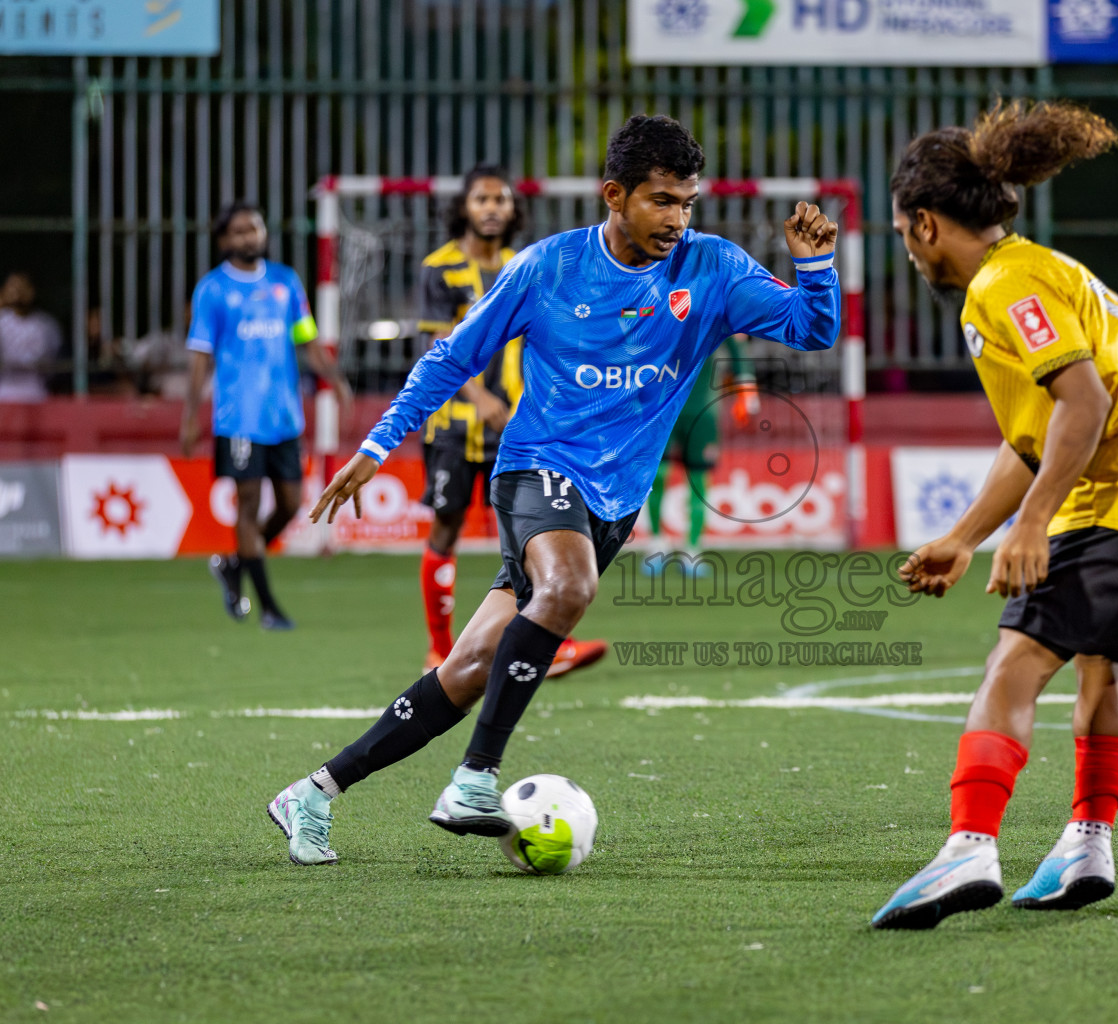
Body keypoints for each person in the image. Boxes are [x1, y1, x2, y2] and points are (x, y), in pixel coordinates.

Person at [266, 114, 840, 866]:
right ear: (614, 194)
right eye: (661, 200)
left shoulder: (714, 270)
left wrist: (816, 267)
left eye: (687, 202)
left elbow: (811, 329)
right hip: (536, 469)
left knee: (469, 668)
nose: (677, 219)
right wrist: (378, 445)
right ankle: (474, 780)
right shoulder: (547, 268)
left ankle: (313, 792)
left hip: (614, 502)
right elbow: (450, 358)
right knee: (569, 587)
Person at [872, 100, 1118, 930]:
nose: (909, 251)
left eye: (904, 234)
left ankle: (969, 845)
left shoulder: (1002, 287)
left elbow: (1083, 404)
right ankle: (1086, 842)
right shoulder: (1043, 269)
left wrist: (1032, 525)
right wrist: (966, 536)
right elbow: (1039, 432)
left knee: (1014, 665)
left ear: (926, 225)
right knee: (1101, 663)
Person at [414, 164, 608, 678]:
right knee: (446, 527)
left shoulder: (524, 265)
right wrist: (476, 395)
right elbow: (435, 345)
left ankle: (542, 641)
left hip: (518, 428)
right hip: (455, 425)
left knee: (528, 534)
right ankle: (440, 650)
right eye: (482, 199)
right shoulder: (440, 269)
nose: (493, 208)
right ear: (464, 207)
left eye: (501, 199)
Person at [181, 202, 352, 630]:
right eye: (238, 231)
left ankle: (235, 564)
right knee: (249, 502)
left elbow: (307, 339)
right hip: (239, 417)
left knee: (292, 504)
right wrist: (190, 414)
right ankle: (269, 607)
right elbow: (200, 357)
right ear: (224, 240)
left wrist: (336, 378)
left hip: (284, 416)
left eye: (253, 228)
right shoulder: (212, 290)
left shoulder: (286, 282)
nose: (247, 237)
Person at [644, 333, 758, 574]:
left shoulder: (715, 308)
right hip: (663, 411)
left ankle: (692, 549)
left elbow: (738, 349)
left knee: (698, 481)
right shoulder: (660, 305)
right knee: (657, 477)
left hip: (702, 412)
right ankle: (656, 545)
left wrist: (747, 391)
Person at [0, 272, 62, 403]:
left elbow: (46, 361)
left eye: (22, 287)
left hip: (34, 393)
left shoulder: (45, 325)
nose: (18, 292)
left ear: (32, 291)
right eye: (13, 287)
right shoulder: (2, 320)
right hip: (4, 392)